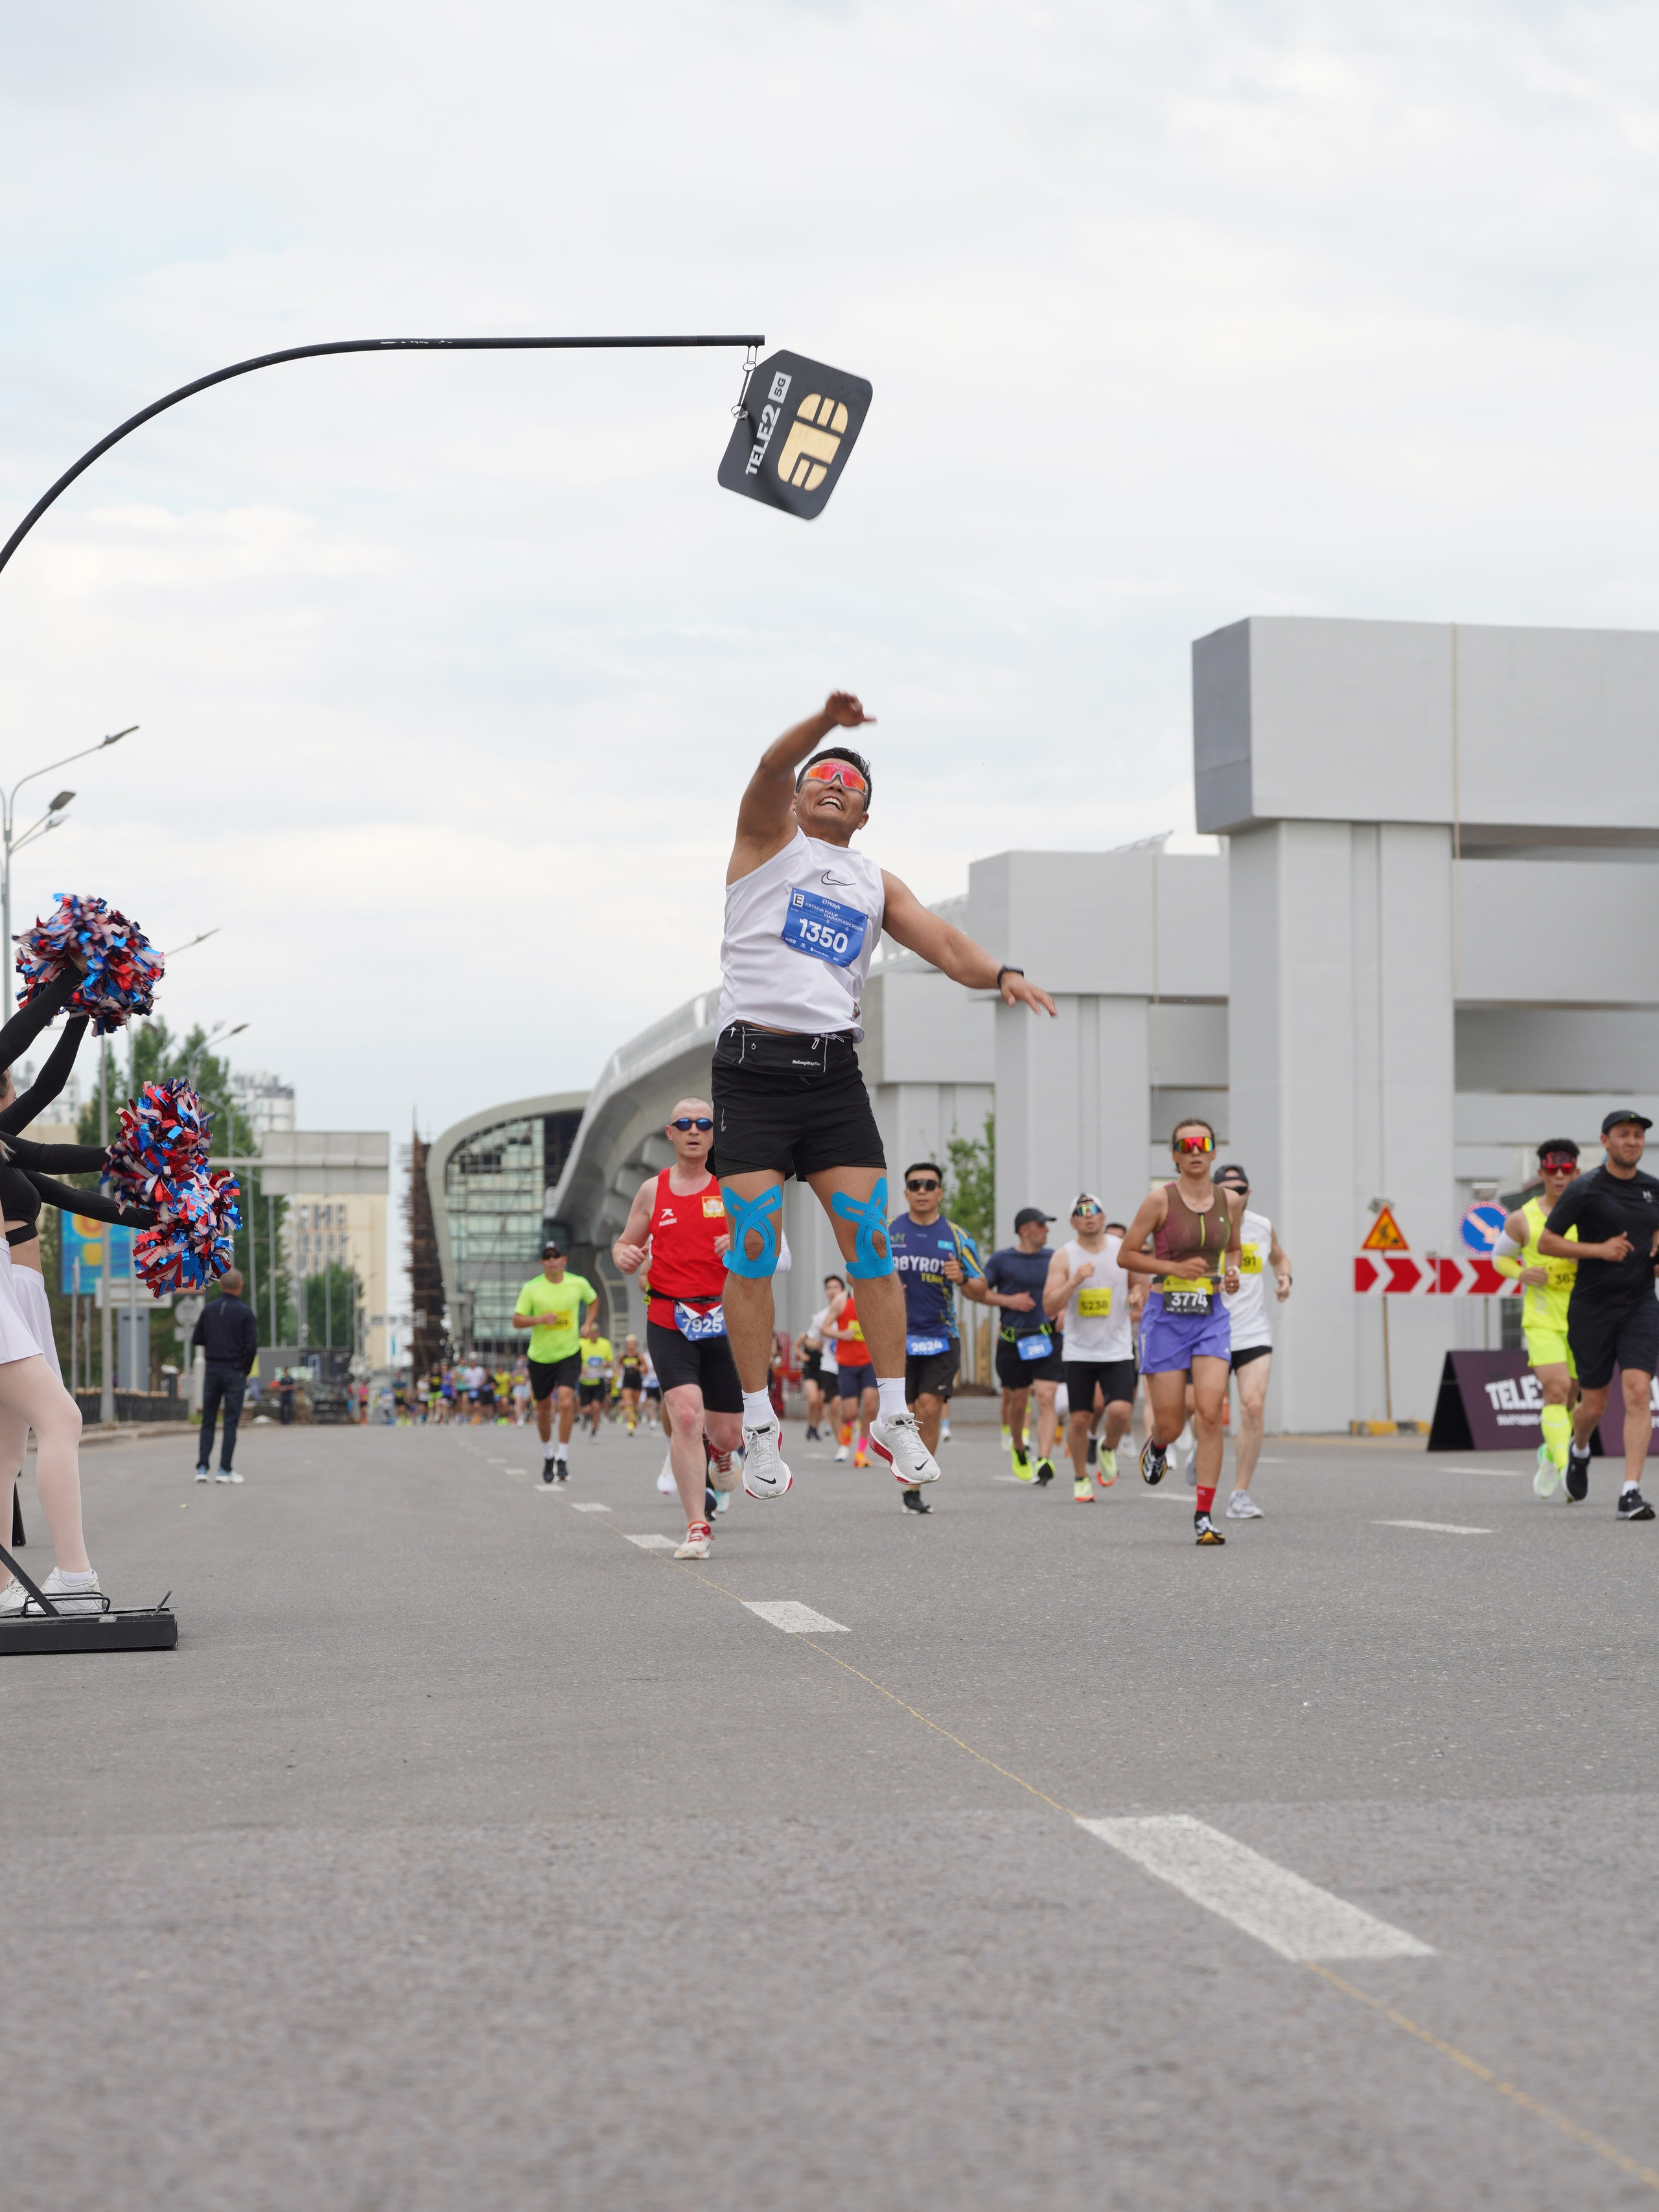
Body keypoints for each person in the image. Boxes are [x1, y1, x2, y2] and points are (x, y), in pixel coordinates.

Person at [711, 692, 1056, 1502]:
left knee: (872, 1249)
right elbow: (767, 763)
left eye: (852, 786)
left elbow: (942, 944)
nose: (836, 786)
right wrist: (825, 726)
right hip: (752, 1069)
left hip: (832, 1076)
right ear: (798, 797)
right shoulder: (766, 843)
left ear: (866, 815)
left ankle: (893, 1414)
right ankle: (761, 1421)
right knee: (755, 1246)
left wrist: (999, 973)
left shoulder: (873, 881)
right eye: (822, 778)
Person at [0, 958, 163, 1618]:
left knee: (7, 1451)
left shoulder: (5, 1146)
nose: (7, 1089)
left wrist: (157, 1195)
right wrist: (72, 980)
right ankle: (71, 1574)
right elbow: (18, 1046)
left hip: (19, 1296)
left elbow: (65, 1176)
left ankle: (4, 1590)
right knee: (62, 1419)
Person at [612, 1096, 745, 1560]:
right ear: (670, 1133)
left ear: (713, 1135)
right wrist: (624, 1255)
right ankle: (696, 1526)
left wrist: (744, 1240)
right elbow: (627, 1243)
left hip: (724, 1317)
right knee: (686, 1413)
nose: (694, 1130)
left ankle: (725, 1453)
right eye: (684, 1123)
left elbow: (766, 1249)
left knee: (726, 1432)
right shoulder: (652, 1190)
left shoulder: (731, 1190)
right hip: (668, 1314)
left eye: (704, 1124)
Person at [1116, 1120, 1242, 1546]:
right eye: (1185, 1145)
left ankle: (1204, 1515)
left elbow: (1235, 1249)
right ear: (1174, 1154)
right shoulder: (1159, 1200)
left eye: (1202, 1144)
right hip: (1166, 1315)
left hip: (1211, 1313)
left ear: (1213, 1152)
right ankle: (1158, 1446)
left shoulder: (1230, 1201)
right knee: (1170, 1423)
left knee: (1210, 1412)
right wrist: (1172, 1268)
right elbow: (1126, 1254)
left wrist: (1233, 1273)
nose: (1195, 1151)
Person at [1534, 1112, 1659, 1519]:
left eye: (1638, 1135)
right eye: (1624, 1135)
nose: (1632, 1141)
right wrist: (1599, 1250)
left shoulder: (1654, 1190)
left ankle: (1630, 1492)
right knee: (1594, 1406)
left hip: (1640, 1304)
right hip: (1593, 1307)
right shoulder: (1585, 1189)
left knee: (1639, 1390)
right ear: (1605, 1141)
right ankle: (1580, 1449)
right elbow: (1548, 1241)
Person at [887, 1159, 986, 1515]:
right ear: (906, 1192)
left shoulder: (958, 1237)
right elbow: (858, 1277)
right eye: (915, 1185)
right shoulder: (889, 1231)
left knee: (928, 1409)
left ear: (940, 1192)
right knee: (905, 1414)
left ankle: (913, 1484)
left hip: (941, 1335)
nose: (923, 1191)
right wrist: (882, 1280)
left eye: (930, 1185)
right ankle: (906, 1462)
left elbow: (980, 1289)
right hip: (897, 1338)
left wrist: (962, 1277)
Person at [1491, 1141, 1582, 1498]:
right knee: (1556, 1389)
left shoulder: (1588, 1215)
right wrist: (1521, 1274)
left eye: (1566, 1170)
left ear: (1576, 1173)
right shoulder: (1522, 1219)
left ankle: (1550, 1450)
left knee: (1574, 1397)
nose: (1559, 1176)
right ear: (1540, 1174)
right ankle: (1566, 1470)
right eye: (1552, 1170)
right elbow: (1499, 1258)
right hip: (1542, 1320)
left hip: (1582, 1320)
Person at [1211, 1164, 1292, 1520]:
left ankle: (1239, 1494)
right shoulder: (1202, 1229)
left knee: (1253, 1407)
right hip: (1208, 1330)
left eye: (1240, 1189)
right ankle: (1202, 1450)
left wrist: (1285, 1278)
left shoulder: (1261, 1226)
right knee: (1205, 1413)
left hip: (1252, 1330)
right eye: (1226, 1189)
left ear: (1249, 1193)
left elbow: (1279, 1256)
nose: (1234, 1195)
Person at [1045, 1196, 1137, 1502]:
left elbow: (1140, 1284)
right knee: (1081, 1419)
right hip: (1080, 1351)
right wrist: (1075, 1281)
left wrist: (1137, 1295)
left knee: (1121, 1411)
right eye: (1080, 1213)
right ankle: (1081, 1477)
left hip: (1118, 1348)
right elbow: (1049, 1305)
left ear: (1103, 1216)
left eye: (1093, 1211)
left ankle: (1109, 1448)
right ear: (1072, 1222)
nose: (1087, 1217)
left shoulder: (1120, 1249)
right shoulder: (1064, 1256)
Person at [983, 1209, 1064, 1482]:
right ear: (1024, 1230)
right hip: (1012, 1340)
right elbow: (979, 1291)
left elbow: (1068, 1288)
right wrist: (1009, 1302)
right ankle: (1019, 1448)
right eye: (1041, 1225)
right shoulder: (1002, 1260)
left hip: (1046, 1336)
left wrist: (1063, 1309)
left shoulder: (1055, 1258)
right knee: (1018, 1404)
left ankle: (1043, 1459)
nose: (1047, 1230)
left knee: (1046, 1396)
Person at [511, 1240, 598, 1483]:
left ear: (564, 1260)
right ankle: (548, 1454)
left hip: (569, 1353)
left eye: (556, 1256)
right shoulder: (532, 1288)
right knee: (542, 1410)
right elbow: (517, 1321)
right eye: (547, 1257)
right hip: (540, 1357)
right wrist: (539, 1319)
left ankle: (563, 1457)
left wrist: (588, 1323)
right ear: (542, 1262)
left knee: (566, 1401)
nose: (552, 1261)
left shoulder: (577, 1283)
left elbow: (593, 1300)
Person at [192, 1269, 258, 1484]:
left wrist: (215, 1342)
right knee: (230, 1421)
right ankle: (224, 1469)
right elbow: (251, 1347)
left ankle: (202, 1468)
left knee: (208, 1420)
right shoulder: (245, 1313)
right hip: (234, 1372)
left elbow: (197, 1338)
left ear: (220, 1286)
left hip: (212, 1370)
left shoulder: (209, 1310)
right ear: (241, 1286)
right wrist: (243, 1370)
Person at [577, 1318, 614, 1438]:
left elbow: (610, 1362)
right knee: (587, 1409)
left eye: (596, 1331)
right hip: (585, 1382)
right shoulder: (581, 1344)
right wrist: (580, 1368)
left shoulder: (605, 1344)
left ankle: (594, 1429)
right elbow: (575, 1359)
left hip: (599, 1380)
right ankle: (585, 1416)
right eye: (591, 1331)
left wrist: (605, 1364)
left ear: (599, 1332)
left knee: (597, 1406)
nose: (593, 1333)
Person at [616, 1334, 646, 1432]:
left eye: (633, 1343)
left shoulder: (639, 1356)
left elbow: (645, 1370)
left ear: (636, 1345)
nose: (631, 1345)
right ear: (626, 1345)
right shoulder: (623, 1355)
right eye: (629, 1343)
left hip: (637, 1380)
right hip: (627, 1380)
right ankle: (630, 1425)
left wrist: (637, 1368)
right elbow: (618, 1366)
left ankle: (634, 1418)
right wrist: (618, 1372)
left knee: (635, 1405)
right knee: (628, 1403)